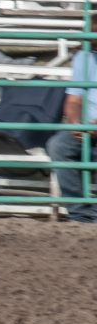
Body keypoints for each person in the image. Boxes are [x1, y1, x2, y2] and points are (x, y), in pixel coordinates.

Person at [47, 49, 97, 223]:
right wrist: (76, 122)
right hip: (88, 129)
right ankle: (80, 214)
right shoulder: (84, 57)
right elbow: (73, 100)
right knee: (58, 146)